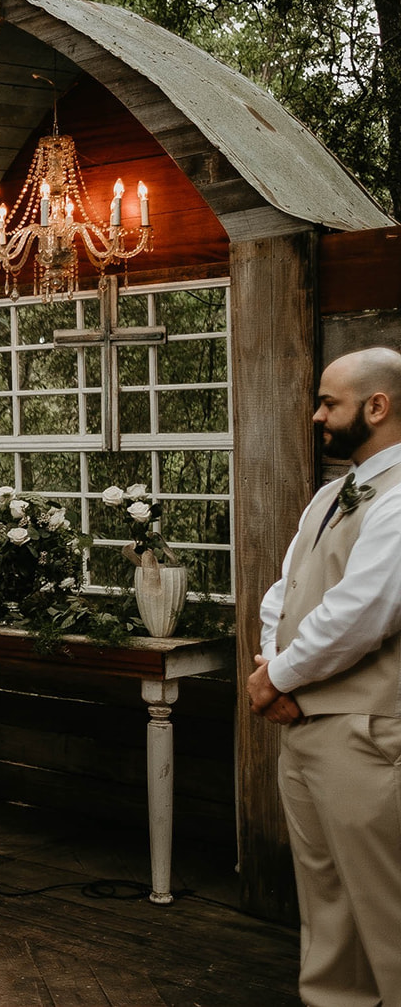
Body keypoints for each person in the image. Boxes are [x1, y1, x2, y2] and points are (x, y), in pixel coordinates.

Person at [248, 346, 401, 1007]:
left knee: (386, 906)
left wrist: (276, 678)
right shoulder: (329, 496)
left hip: (367, 735)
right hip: (306, 726)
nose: (317, 415)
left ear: (377, 406)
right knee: (326, 902)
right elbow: (284, 592)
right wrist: (273, 669)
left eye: (329, 403)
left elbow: (362, 613)